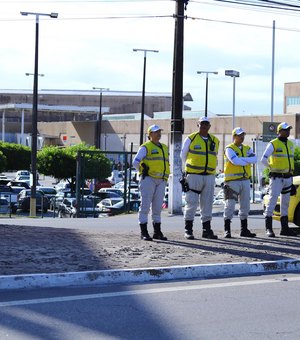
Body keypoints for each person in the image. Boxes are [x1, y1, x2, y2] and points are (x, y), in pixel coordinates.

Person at [180, 116, 219, 240]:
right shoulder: (191, 138)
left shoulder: (215, 140)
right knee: (191, 202)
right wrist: (188, 170)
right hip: (194, 175)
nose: (204, 126)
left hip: (209, 176)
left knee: (207, 204)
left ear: (209, 126)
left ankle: (206, 230)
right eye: (201, 124)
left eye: (206, 124)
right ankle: (188, 229)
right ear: (198, 125)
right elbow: (183, 155)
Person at [133, 124, 170, 241]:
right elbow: (135, 161)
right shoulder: (145, 147)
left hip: (161, 180)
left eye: (159, 131)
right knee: (145, 206)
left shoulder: (164, 147)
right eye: (155, 132)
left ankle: (157, 232)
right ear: (150, 135)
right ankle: (144, 232)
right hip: (148, 179)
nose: (158, 134)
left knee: (157, 208)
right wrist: (142, 170)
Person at [261, 122, 297, 237]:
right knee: (272, 202)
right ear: (279, 131)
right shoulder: (273, 143)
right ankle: (269, 229)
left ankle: (284, 229)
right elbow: (263, 159)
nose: (288, 131)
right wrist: (272, 168)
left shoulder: (291, 144)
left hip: (287, 177)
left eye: (289, 129)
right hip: (276, 178)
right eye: (285, 130)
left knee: (285, 204)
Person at [223, 127, 257, 238]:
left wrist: (241, 159)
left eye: (243, 135)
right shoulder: (229, 148)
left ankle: (244, 230)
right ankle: (227, 230)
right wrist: (246, 160)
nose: (241, 137)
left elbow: (255, 159)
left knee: (245, 206)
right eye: (239, 135)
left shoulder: (247, 148)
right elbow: (234, 161)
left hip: (245, 181)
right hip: (232, 182)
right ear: (234, 137)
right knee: (230, 206)